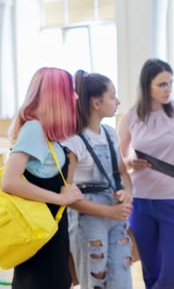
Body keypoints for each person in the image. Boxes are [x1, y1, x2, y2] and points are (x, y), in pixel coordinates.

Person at [118, 58, 174, 289]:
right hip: (141, 202)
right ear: (146, 86)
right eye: (162, 84)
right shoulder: (130, 117)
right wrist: (131, 162)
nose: (168, 89)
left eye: (170, 83)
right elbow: (118, 163)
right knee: (151, 273)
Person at [0, 67, 84, 289]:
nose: (75, 96)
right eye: (70, 91)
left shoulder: (47, 133)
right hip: (40, 239)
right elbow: (9, 181)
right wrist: (59, 199)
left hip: (51, 236)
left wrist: (65, 192)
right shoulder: (34, 129)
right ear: (56, 96)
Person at [63, 70, 134, 288]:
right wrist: (109, 211)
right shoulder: (73, 141)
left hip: (116, 216)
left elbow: (122, 172)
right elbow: (67, 195)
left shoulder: (110, 133)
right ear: (96, 103)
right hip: (88, 220)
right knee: (94, 280)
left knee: (121, 278)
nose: (118, 101)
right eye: (112, 96)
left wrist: (128, 192)